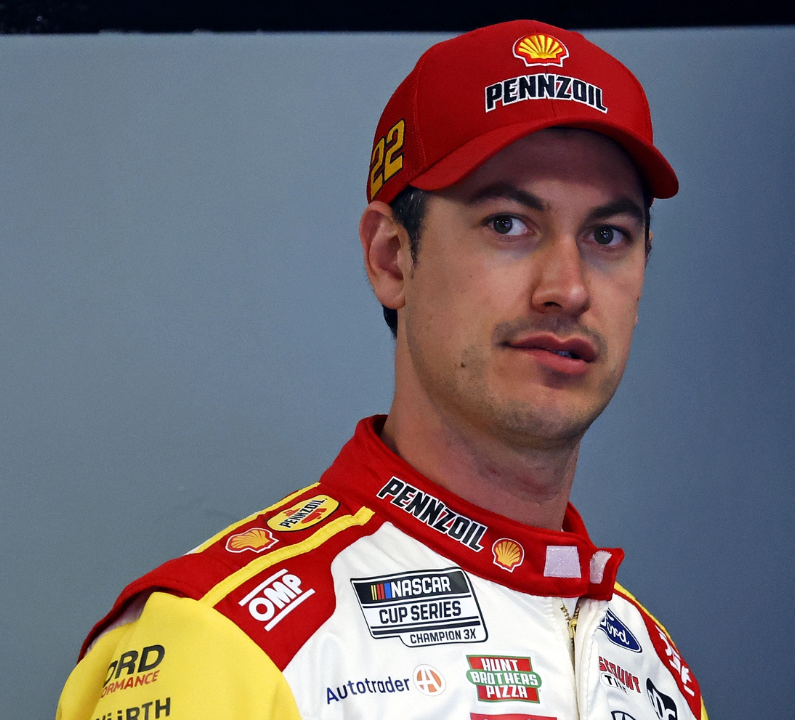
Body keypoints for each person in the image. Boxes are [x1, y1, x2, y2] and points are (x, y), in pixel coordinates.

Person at [56, 19, 707, 720]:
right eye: (508, 224)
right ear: (391, 259)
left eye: (608, 235)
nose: (568, 288)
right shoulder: (222, 642)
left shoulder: (654, 667)